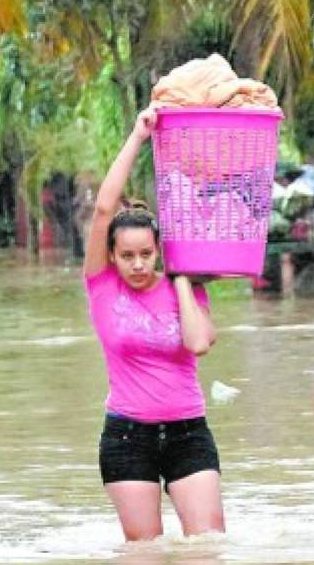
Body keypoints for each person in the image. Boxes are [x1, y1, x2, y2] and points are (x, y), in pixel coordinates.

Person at [83, 108, 223, 542]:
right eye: (127, 256)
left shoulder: (188, 289)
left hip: (188, 431)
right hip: (127, 436)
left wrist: (180, 277)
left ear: (159, 249)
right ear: (112, 257)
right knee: (143, 557)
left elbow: (198, 343)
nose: (138, 264)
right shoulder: (102, 286)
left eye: (147, 253)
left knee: (208, 549)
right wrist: (137, 136)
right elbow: (105, 207)